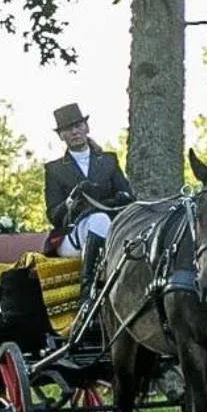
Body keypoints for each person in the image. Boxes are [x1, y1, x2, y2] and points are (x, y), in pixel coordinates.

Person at [43, 103, 133, 289]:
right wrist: (71, 201)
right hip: (72, 233)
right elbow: (53, 214)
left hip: (111, 228)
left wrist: (120, 198)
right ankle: (88, 292)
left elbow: (127, 195)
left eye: (77, 126)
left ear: (86, 127)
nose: (75, 132)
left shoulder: (108, 160)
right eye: (68, 129)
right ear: (61, 135)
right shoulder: (54, 169)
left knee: (107, 221)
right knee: (98, 220)